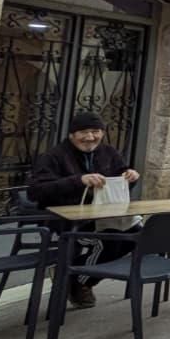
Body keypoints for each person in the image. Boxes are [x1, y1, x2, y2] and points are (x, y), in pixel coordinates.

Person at [28, 111, 139, 309]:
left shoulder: (108, 152)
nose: (90, 137)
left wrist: (130, 176)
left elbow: (119, 177)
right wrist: (78, 181)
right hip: (65, 221)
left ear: (102, 133)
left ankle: (76, 278)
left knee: (136, 234)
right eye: (83, 132)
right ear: (72, 135)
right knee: (109, 241)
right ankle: (77, 280)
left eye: (95, 131)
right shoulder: (53, 156)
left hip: (102, 216)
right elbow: (35, 191)